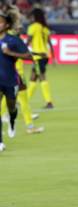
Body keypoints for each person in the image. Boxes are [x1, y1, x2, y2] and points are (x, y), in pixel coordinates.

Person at [0, 3, 44, 135]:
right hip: (15, 74)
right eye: (18, 20)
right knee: (21, 99)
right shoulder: (11, 37)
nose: (20, 25)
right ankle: (29, 126)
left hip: (13, 73)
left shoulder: (11, 36)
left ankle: (25, 123)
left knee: (17, 99)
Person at [0, 11, 32, 151]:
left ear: (6, 25)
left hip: (10, 80)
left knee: (12, 107)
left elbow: (28, 56)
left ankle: (12, 121)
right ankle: (0, 141)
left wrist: (10, 53)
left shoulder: (13, 40)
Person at [26, 8, 56, 109]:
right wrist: (54, 57)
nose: (31, 17)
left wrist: (21, 50)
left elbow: (28, 41)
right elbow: (50, 43)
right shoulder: (45, 28)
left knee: (41, 77)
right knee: (33, 78)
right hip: (45, 56)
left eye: (32, 16)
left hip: (37, 56)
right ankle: (24, 100)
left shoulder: (33, 27)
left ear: (35, 17)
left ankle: (49, 102)